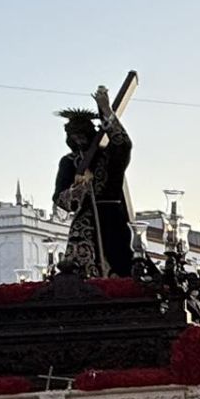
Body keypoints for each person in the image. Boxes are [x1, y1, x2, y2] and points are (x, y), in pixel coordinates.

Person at [52, 85, 136, 276]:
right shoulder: (68, 162)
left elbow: (123, 144)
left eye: (83, 135)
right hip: (83, 225)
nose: (80, 141)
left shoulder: (109, 157)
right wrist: (76, 192)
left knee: (121, 265)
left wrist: (107, 111)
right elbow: (59, 198)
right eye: (75, 137)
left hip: (112, 218)